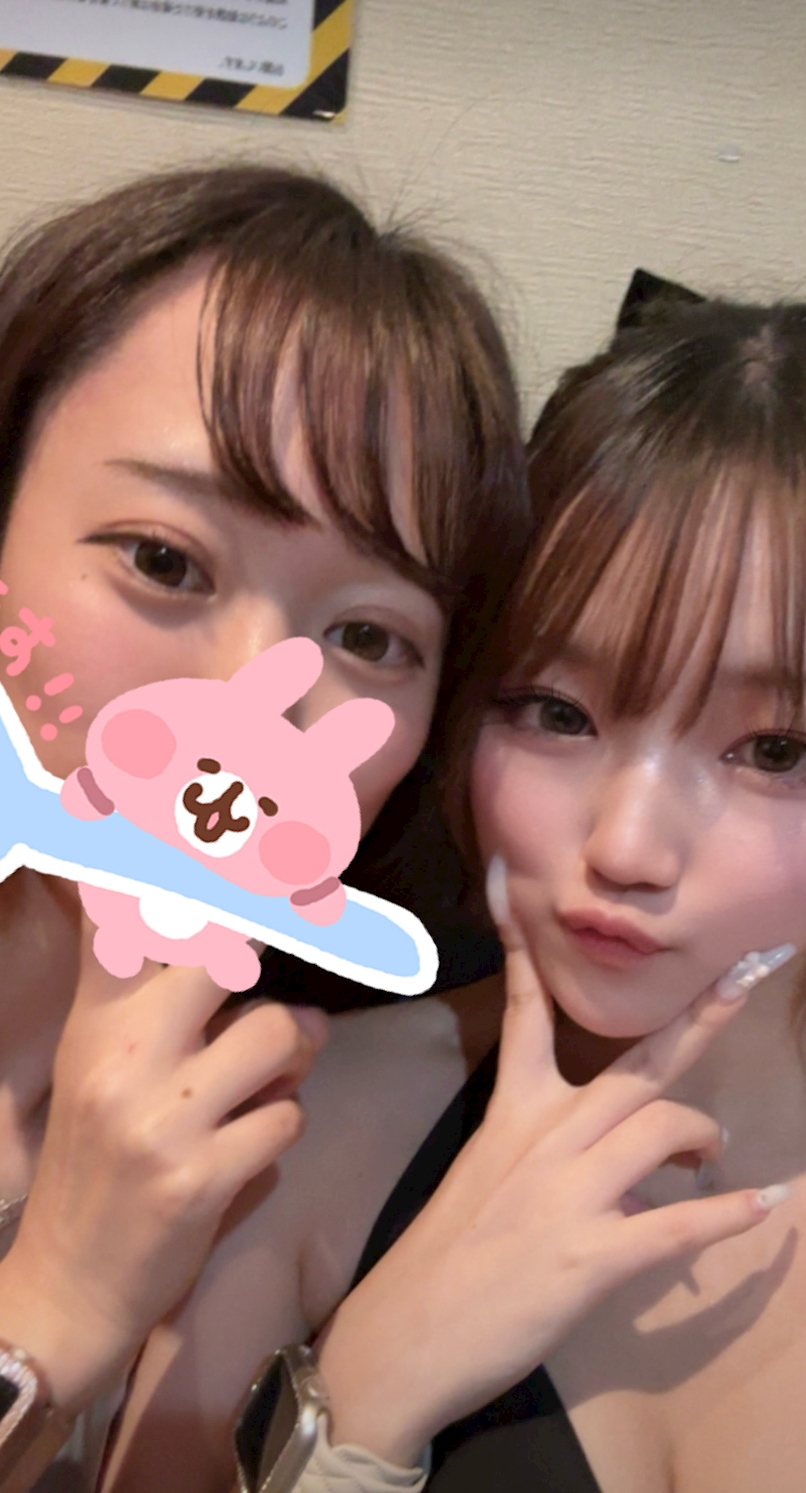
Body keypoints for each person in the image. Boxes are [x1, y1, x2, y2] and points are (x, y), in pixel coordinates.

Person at [110, 293, 806, 1493]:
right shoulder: (299, 1130)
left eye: (775, 749)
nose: (628, 845)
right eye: (557, 711)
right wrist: (361, 1400)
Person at [0, 162, 531, 1490]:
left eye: (369, 637)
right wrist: (53, 1307)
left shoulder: (337, 1110)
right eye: (164, 559)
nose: (252, 699)